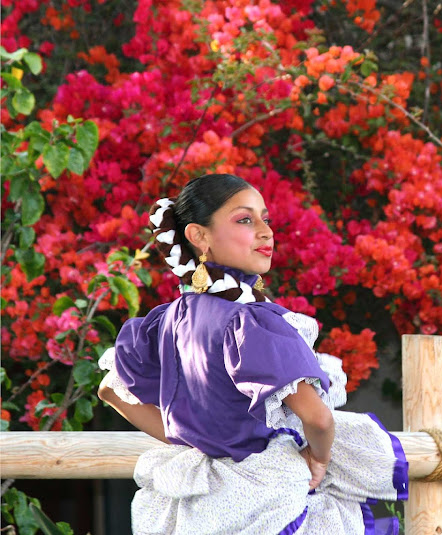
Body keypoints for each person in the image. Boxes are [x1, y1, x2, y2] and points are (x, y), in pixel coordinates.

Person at [98, 173, 408, 534]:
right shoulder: (251, 323)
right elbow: (319, 419)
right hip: (267, 500)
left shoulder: (163, 322)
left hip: (203, 509)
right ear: (199, 236)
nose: (265, 231)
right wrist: (319, 460)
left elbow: (110, 391)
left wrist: (196, 441)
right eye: (245, 219)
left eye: (266, 219)